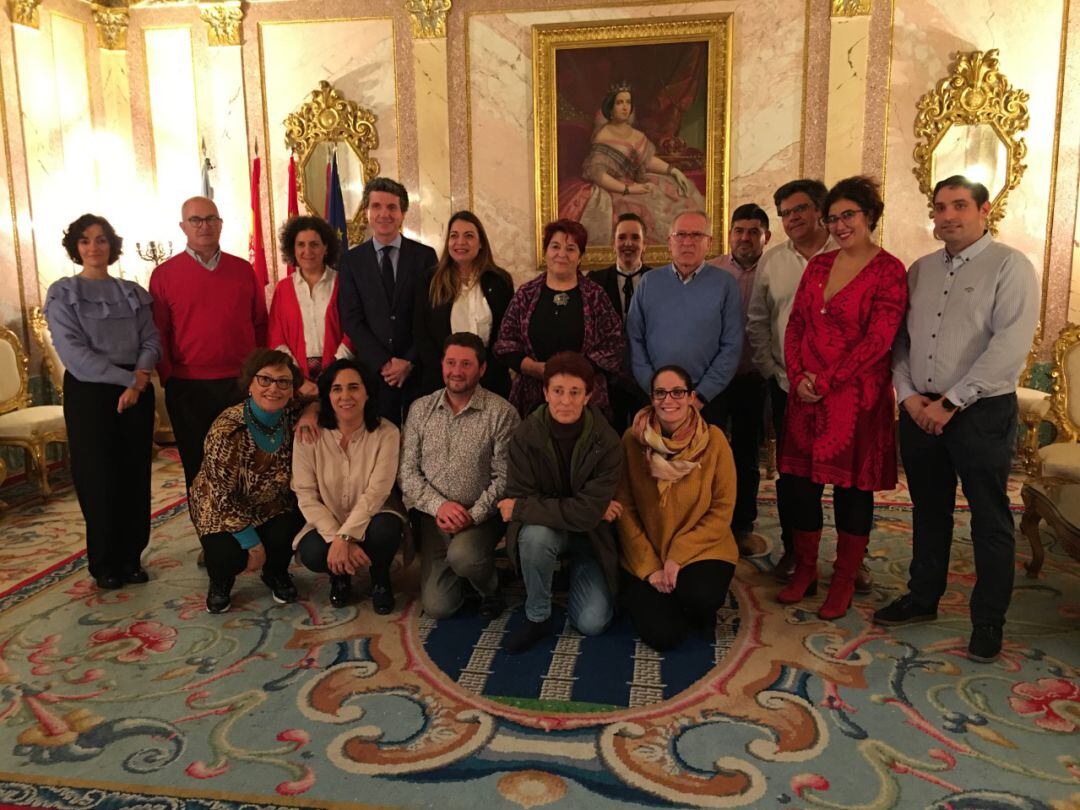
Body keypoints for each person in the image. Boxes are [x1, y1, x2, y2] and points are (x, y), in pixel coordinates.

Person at [876, 175, 1039, 663]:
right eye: (940, 206)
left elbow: (1008, 348)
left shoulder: (1010, 266)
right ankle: (923, 596)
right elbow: (901, 340)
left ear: (984, 210)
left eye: (959, 205)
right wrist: (908, 397)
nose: (947, 216)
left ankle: (988, 620)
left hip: (980, 413)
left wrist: (949, 404)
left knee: (989, 518)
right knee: (929, 510)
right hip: (920, 410)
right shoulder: (920, 270)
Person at [777, 176, 907, 619]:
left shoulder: (889, 270)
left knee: (852, 493)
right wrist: (798, 376)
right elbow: (796, 324)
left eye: (847, 215)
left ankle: (845, 579)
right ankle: (806, 570)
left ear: (869, 215)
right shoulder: (818, 266)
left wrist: (827, 381)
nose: (839, 225)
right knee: (801, 488)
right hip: (806, 397)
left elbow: (879, 340)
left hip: (857, 400)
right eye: (832, 218)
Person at [44, 214, 160, 590]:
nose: (94, 247)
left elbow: (151, 339)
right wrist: (129, 381)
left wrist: (139, 379)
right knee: (98, 476)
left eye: (101, 239)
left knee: (134, 475)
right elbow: (74, 354)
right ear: (75, 248)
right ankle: (105, 562)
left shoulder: (132, 291)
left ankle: (131, 557)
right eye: (85, 240)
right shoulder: (63, 293)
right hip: (91, 392)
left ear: (112, 245)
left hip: (136, 389)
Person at [498, 352, 622, 654]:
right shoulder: (525, 435)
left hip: (591, 538)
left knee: (593, 623)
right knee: (536, 537)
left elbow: (524, 505)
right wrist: (588, 509)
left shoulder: (607, 441)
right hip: (547, 531)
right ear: (545, 392)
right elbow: (523, 492)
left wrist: (522, 509)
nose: (565, 401)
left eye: (575, 392)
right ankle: (538, 615)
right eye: (558, 391)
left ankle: (570, 573)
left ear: (588, 396)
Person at [747, 179, 837, 582]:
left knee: (848, 478)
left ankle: (855, 559)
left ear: (820, 209)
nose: (792, 218)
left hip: (841, 389)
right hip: (788, 387)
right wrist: (772, 371)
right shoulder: (773, 261)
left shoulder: (847, 253)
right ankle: (795, 552)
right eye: (785, 213)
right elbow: (758, 320)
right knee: (794, 477)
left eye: (800, 209)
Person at [615, 365, 739, 650]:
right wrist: (650, 567)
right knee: (663, 636)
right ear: (651, 397)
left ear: (691, 396)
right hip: (648, 550)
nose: (668, 400)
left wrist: (677, 555)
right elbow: (625, 510)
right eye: (660, 393)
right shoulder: (632, 440)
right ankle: (665, 596)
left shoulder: (714, 440)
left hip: (702, 547)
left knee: (700, 597)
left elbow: (722, 509)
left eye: (677, 392)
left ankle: (686, 597)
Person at [150, 196, 268, 494]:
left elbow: (260, 324)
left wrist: (258, 374)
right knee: (199, 466)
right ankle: (207, 523)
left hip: (241, 383)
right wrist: (169, 377)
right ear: (183, 226)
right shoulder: (164, 275)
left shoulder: (243, 270)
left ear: (220, 224)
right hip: (189, 387)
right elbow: (158, 332)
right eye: (196, 220)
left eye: (211, 219)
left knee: (246, 463)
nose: (204, 226)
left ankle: (245, 523)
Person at [399, 332, 520, 619]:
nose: (456, 371)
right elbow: (407, 472)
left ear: (482, 369)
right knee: (438, 607)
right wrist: (439, 506)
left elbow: (505, 479)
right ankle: (467, 571)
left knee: (464, 556)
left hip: (482, 517)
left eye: (466, 364)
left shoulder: (502, 413)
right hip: (434, 517)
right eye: (451, 362)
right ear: (442, 364)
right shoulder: (420, 409)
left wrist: (471, 515)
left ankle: (490, 588)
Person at [189, 349, 307, 614]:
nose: (273, 388)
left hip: (270, 505)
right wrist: (252, 545)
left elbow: (320, 402)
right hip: (220, 508)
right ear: (250, 384)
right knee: (227, 555)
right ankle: (220, 581)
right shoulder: (227, 429)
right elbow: (220, 496)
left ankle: (275, 572)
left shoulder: (291, 412)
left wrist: (312, 411)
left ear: (292, 390)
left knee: (290, 526)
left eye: (283, 381)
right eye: (265, 379)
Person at [292, 359, 404, 612]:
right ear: (328, 396)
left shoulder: (387, 433)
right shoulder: (309, 434)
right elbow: (306, 494)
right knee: (312, 552)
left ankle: (380, 578)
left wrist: (345, 536)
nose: (345, 396)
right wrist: (337, 538)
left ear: (367, 393)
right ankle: (339, 575)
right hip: (328, 519)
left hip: (374, 516)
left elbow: (377, 492)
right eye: (337, 389)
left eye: (354, 387)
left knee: (386, 530)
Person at [627, 210, 743, 432]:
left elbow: (731, 346)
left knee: (706, 455)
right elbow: (634, 340)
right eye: (680, 235)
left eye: (696, 235)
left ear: (709, 243)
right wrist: (657, 392)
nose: (687, 242)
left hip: (707, 401)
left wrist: (701, 396)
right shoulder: (648, 283)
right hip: (656, 400)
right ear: (669, 242)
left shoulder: (725, 285)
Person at [494, 219, 624, 418]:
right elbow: (505, 344)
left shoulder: (596, 296)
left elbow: (614, 343)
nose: (562, 254)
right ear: (545, 251)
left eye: (570, 248)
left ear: (580, 256)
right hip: (532, 399)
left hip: (583, 400)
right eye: (555, 246)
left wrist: (573, 373)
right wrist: (534, 368)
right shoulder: (526, 294)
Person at [337, 177, 438, 426]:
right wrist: (384, 362)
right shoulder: (350, 261)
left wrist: (409, 360)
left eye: (392, 207)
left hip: (418, 370)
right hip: (374, 373)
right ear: (367, 212)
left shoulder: (425, 257)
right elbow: (351, 318)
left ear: (402, 213)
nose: (384, 214)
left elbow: (431, 314)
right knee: (381, 439)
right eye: (377, 206)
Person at [558, 82, 704, 244]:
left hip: (636, 182)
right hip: (613, 189)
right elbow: (599, 175)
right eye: (619, 103)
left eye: (628, 102)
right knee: (641, 213)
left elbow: (647, 160)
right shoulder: (604, 135)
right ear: (610, 108)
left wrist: (673, 171)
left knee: (676, 197)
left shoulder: (636, 134)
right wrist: (629, 189)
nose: (625, 107)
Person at [706, 203, 773, 557]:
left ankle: (742, 524)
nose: (745, 237)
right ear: (729, 234)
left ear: (766, 236)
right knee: (709, 452)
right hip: (714, 378)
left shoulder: (775, 271)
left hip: (754, 377)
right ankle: (708, 523)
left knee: (747, 454)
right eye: (739, 230)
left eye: (753, 231)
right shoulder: (711, 271)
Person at [413, 211, 514, 399]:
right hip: (441, 382)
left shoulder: (500, 281)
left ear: (481, 243)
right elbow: (421, 333)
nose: (460, 242)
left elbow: (506, 334)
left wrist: (484, 372)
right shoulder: (429, 281)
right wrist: (448, 373)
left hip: (491, 381)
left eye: (469, 236)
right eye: (454, 236)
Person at [268, 216, 352, 397]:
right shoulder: (283, 289)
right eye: (301, 244)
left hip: (341, 377)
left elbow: (353, 331)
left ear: (326, 247)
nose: (307, 251)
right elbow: (276, 337)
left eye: (314, 244)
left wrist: (333, 373)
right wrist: (297, 378)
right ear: (293, 248)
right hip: (296, 382)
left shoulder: (343, 283)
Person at [589, 212, 653, 434]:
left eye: (635, 237)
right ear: (613, 243)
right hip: (607, 379)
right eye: (622, 237)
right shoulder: (594, 281)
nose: (628, 243)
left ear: (644, 244)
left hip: (646, 377)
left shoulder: (658, 280)